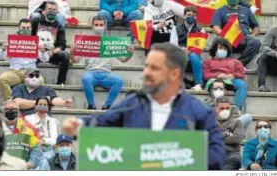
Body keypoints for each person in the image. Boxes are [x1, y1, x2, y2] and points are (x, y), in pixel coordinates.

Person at [63, 43, 226, 170]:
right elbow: (102, 122)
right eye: (146, 66)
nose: (146, 72)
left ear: (174, 74)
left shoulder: (200, 112)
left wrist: (169, 160)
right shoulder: (133, 103)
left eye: (154, 68)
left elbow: (216, 157)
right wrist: (79, 126)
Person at [70, 15, 134, 110]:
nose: (99, 27)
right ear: (92, 26)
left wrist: (130, 54)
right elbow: (75, 60)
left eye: (101, 25)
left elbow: (123, 60)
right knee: (85, 79)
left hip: (106, 75)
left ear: (105, 26)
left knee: (119, 80)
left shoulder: (110, 42)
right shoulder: (85, 42)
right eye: (96, 24)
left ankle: (107, 105)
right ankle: (91, 105)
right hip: (91, 73)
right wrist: (72, 52)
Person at [211, 0, 261, 67]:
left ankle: (240, 64)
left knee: (256, 42)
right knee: (217, 40)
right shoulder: (220, 11)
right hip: (228, 41)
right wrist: (225, 34)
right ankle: (220, 63)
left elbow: (256, 26)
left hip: (244, 39)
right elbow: (216, 27)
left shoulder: (246, 11)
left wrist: (253, 34)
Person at [0, 19, 43, 100]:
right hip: (15, 72)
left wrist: (43, 51)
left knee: (41, 81)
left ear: (31, 29)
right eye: (23, 27)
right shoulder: (12, 40)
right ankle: (11, 101)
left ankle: (35, 102)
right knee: (1, 79)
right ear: (19, 28)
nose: (26, 30)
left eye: (28, 28)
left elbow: (45, 59)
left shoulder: (37, 41)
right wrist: (3, 49)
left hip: (31, 71)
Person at [1, 100, 49, 170]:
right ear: (2, 112)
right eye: (7, 109)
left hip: (24, 167)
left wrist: (29, 164)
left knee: (44, 162)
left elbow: (37, 150)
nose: (11, 111)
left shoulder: (28, 130)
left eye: (14, 109)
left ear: (19, 112)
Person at [203, 37, 247, 110]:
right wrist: (217, 75)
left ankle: (236, 110)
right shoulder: (208, 62)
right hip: (215, 80)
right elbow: (206, 75)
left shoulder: (235, 61)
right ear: (215, 49)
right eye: (220, 48)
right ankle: (218, 108)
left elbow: (241, 73)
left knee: (242, 85)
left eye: (225, 49)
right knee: (217, 85)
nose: (223, 50)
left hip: (231, 80)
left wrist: (233, 75)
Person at [31, 2, 70, 85]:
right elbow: (30, 38)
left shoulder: (59, 27)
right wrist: (37, 49)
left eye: (54, 10)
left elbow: (62, 45)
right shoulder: (37, 22)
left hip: (51, 53)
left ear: (57, 12)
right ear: (44, 11)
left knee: (65, 55)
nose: (51, 11)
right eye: (49, 9)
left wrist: (52, 52)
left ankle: (60, 83)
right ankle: (31, 79)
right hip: (37, 52)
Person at [170, 6, 204, 90]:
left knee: (194, 55)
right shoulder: (176, 28)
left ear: (196, 17)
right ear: (184, 16)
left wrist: (191, 50)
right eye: (188, 15)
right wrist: (182, 50)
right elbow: (173, 45)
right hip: (180, 53)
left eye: (193, 15)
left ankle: (198, 83)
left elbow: (201, 47)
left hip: (194, 54)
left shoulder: (201, 30)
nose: (191, 17)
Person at [215, 96, 245, 170]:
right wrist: (227, 133)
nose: (225, 110)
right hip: (214, 152)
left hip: (231, 153)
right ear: (216, 109)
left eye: (227, 108)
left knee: (235, 161)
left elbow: (236, 139)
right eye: (222, 108)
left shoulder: (237, 122)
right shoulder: (210, 121)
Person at [257, 27, 277, 92]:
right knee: (263, 57)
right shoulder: (273, 31)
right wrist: (274, 53)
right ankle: (262, 86)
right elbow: (264, 47)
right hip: (272, 62)